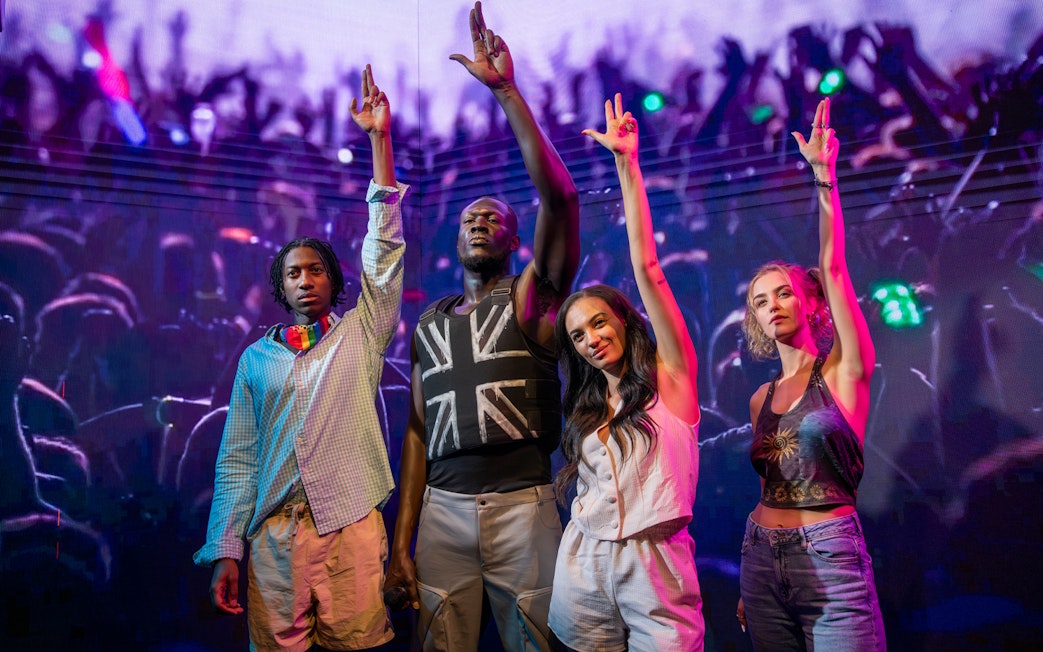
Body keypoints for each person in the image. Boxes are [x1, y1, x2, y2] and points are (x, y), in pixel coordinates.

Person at [382, 3, 580, 651]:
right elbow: (416, 430)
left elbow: (562, 199)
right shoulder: (431, 322)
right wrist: (400, 543)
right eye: (470, 217)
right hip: (440, 510)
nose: (479, 221)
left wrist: (506, 92)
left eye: (494, 217)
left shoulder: (530, 301)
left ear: (517, 240)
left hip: (522, 507)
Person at [192, 64, 407, 652]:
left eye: (316, 270)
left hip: (351, 531)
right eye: (294, 273)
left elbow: (383, 257)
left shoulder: (360, 336)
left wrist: (378, 142)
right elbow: (237, 462)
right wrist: (227, 551)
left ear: (333, 281)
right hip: (275, 543)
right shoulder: (256, 361)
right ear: (280, 288)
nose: (305, 280)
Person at [547, 95, 705, 652]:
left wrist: (626, 165)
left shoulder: (671, 383)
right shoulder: (588, 408)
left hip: (656, 568)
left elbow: (649, 270)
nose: (591, 339)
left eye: (598, 323)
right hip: (584, 563)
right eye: (578, 336)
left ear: (623, 320)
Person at [735, 97, 886, 651]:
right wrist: (754, 577)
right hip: (759, 555)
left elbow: (837, 266)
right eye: (759, 301)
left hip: (829, 551)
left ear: (810, 303)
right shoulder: (760, 397)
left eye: (783, 293)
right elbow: (768, 480)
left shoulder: (845, 370)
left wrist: (824, 178)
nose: (771, 305)